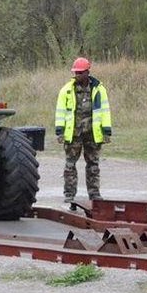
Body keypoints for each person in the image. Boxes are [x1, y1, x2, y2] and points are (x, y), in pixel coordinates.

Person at [55, 57, 112, 203]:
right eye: (76, 72)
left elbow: (104, 111)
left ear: (87, 72)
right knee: (70, 165)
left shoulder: (99, 89)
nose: (77, 75)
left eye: (80, 72)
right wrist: (59, 132)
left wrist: (106, 131)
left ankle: (94, 194)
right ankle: (69, 195)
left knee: (93, 165)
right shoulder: (67, 90)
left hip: (92, 134)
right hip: (73, 134)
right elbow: (60, 112)